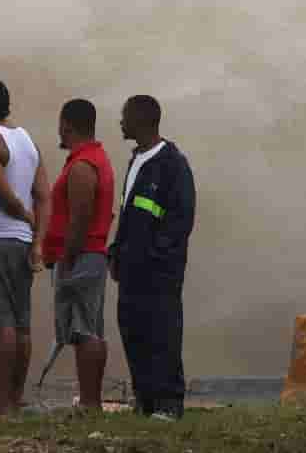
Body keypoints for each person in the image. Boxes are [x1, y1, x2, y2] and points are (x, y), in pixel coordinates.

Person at [108, 95, 196, 421]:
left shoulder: (173, 164)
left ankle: (169, 405)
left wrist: (156, 256)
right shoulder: (137, 160)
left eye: (124, 115)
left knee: (163, 335)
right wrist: (116, 251)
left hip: (159, 273)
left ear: (142, 120)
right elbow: (130, 215)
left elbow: (181, 219)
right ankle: (146, 402)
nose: (120, 121)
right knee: (133, 332)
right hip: (131, 270)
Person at [0, 77, 51, 417]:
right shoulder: (27, 141)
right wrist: (38, 242)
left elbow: (6, 197)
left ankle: (2, 404)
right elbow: (44, 195)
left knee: (1, 323)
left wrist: (28, 220)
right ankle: (15, 400)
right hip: (20, 242)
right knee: (20, 323)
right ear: (8, 103)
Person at [42, 99, 116, 411]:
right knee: (88, 328)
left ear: (67, 125)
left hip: (81, 256)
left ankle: (89, 403)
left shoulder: (84, 165)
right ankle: (91, 402)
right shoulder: (93, 159)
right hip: (89, 255)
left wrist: (67, 258)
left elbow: (80, 218)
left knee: (85, 331)